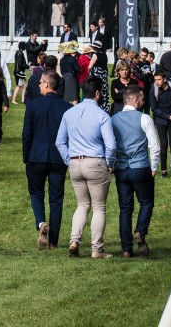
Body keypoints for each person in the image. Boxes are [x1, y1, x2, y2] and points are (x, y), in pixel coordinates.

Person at [55, 75, 117, 259]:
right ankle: (97, 249)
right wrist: (110, 163)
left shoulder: (69, 113)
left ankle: (74, 241)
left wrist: (69, 160)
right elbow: (111, 145)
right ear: (98, 93)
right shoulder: (102, 115)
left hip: (75, 162)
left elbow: (60, 142)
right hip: (95, 161)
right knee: (99, 207)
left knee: (82, 205)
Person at [22, 70, 72, 250]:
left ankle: (41, 223)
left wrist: (26, 155)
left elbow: (27, 133)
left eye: (41, 82)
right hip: (58, 158)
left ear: (47, 85)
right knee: (56, 199)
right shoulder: (67, 108)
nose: (38, 85)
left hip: (36, 155)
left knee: (36, 193)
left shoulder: (33, 105)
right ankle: (53, 240)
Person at [110, 85, 159, 258]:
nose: (143, 102)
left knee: (125, 208)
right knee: (146, 202)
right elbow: (154, 146)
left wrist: (112, 164)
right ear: (136, 100)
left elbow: (110, 145)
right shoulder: (144, 118)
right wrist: (154, 166)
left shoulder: (113, 119)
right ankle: (140, 231)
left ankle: (126, 249)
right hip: (140, 166)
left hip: (121, 169)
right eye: (142, 99)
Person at [150, 71, 171, 178]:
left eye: (159, 79)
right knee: (163, 145)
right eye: (155, 80)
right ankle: (163, 169)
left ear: (164, 79)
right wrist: (168, 116)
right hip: (161, 120)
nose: (157, 82)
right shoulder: (153, 90)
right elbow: (154, 109)